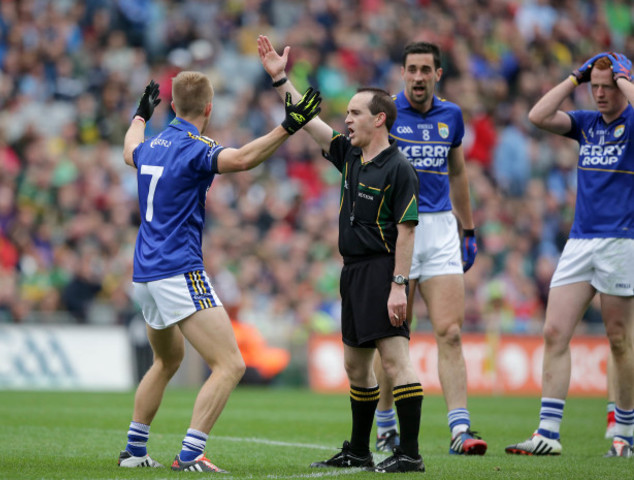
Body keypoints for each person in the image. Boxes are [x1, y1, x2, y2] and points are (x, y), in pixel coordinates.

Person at [117, 74, 321, 471]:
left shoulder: (150, 146)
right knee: (231, 364)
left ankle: (135, 451)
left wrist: (140, 115)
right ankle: (191, 454)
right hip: (178, 268)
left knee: (167, 361)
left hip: (145, 273)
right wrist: (289, 126)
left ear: (173, 106)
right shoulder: (197, 148)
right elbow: (243, 158)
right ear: (209, 108)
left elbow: (129, 149)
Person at [258, 35, 425, 474]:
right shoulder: (351, 154)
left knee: (395, 361)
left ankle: (409, 453)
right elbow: (308, 120)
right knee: (355, 365)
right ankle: (359, 449)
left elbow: (407, 232)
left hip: (383, 269)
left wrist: (399, 286)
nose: (346, 120)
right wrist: (280, 78)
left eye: (354, 113)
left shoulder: (399, 168)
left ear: (380, 119)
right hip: (352, 271)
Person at [505, 52, 634, 458]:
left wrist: (625, 77)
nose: (598, 94)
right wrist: (573, 78)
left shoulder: (631, 123)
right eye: (593, 86)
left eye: (606, 87)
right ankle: (547, 433)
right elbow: (538, 116)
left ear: (622, 86)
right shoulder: (586, 123)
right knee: (554, 332)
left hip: (621, 241)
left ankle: (625, 434)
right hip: (579, 241)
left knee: (618, 340)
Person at [373, 41, 485, 456]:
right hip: (397, 229)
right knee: (392, 337)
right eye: (411, 69)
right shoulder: (387, 113)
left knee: (450, 332)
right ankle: (385, 426)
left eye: (426, 69)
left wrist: (469, 229)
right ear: (402, 73)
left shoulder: (452, 116)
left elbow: (457, 173)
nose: (418, 76)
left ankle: (460, 429)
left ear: (438, 74)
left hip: (439, 229)